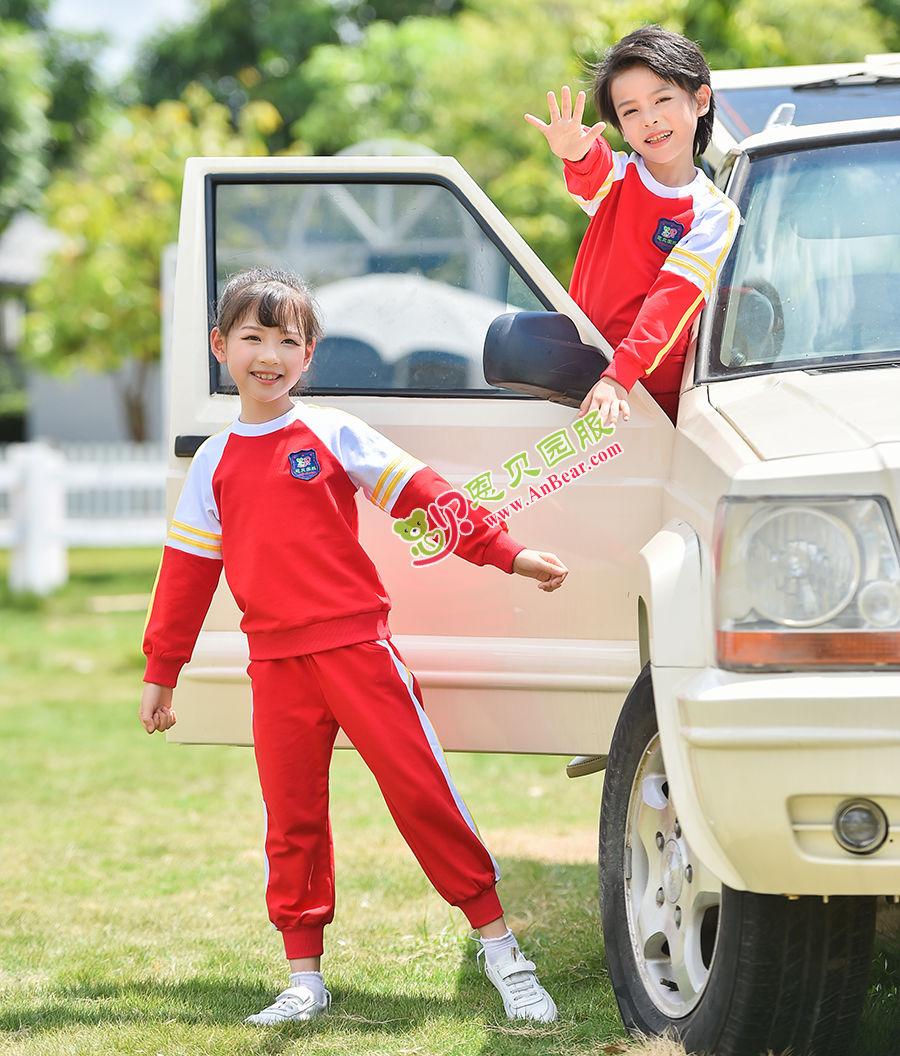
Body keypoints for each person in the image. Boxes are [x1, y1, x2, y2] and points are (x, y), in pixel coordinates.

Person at [139, 268, 568, 1026]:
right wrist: (162, 673)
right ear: (220, 347)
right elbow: (186, 575)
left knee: (422, 794)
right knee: (292, 818)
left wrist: (508, 552)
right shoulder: (212, 462)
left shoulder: (332, 432)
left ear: (310, 355)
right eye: (252, 337)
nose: (268, 354)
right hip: (274, 668)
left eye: (287, 340)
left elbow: (427, 497)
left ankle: (503, 951)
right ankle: (304, 978)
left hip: (358, 652)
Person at [526, 25, 740, 426]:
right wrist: (574, 152)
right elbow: (592, 166)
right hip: (579, 375)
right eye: (631, 111)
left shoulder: (714, 212)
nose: (649, 119)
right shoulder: (617, 178)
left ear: (700, 100)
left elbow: (672, 300)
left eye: (662, 99)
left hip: (647, 393)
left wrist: (620, 376)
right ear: (621, 127)